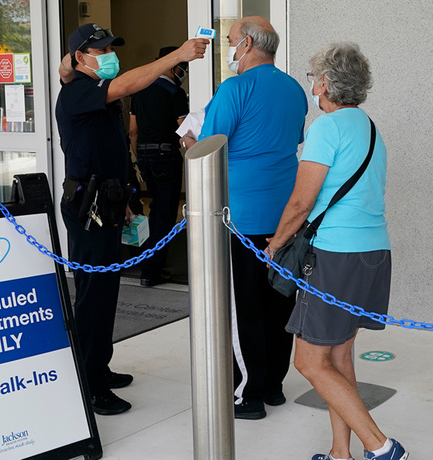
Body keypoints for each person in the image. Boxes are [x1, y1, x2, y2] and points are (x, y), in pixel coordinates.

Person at [265, 42, 408, 460]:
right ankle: (340, 454)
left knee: (309, 363)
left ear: (325, 82)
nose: (312, 85)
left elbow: (300, 203)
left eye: (313, 78)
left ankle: (382, 448)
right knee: (339, 354)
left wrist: (275, 243)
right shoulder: (368, 125)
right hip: (373, 254)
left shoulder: (325, 127)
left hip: (334, 257)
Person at [56, 23, 207, 416]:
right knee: (92, 295)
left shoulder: (92, 93)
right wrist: (176, 57)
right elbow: (124, 85)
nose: (108, 54)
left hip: (107, 200)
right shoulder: (78, 93)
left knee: (107, 292)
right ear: (80, 58)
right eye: (100, 50)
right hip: (87, 206)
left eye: (110, 47)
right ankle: (89, 384)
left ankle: (99, 367)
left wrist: (124, 194)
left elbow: (111, 147)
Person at [181, 16, 307, 420]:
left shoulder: (233, 88)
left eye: (232, 41)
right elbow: (291, 140)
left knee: (244, 306)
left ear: (248, 43)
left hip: (242, 218)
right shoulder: (294, 88)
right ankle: (273, 386)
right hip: (285, 217)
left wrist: (186, 139)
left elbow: (209, 146)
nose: (230, 50)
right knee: (278, 301)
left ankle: (247, 393)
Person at [129, 46, 189, 287]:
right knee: (164, 214)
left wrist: (139, 159)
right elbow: (185, 129)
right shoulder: (174, 92)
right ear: (174, 66)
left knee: (154, 210)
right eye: (183, 67)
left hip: (144, 154)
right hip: (166, 156)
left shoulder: (139, 89)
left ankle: (146, 261)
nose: (183, 72)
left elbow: (133, 131)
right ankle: (152, 271)